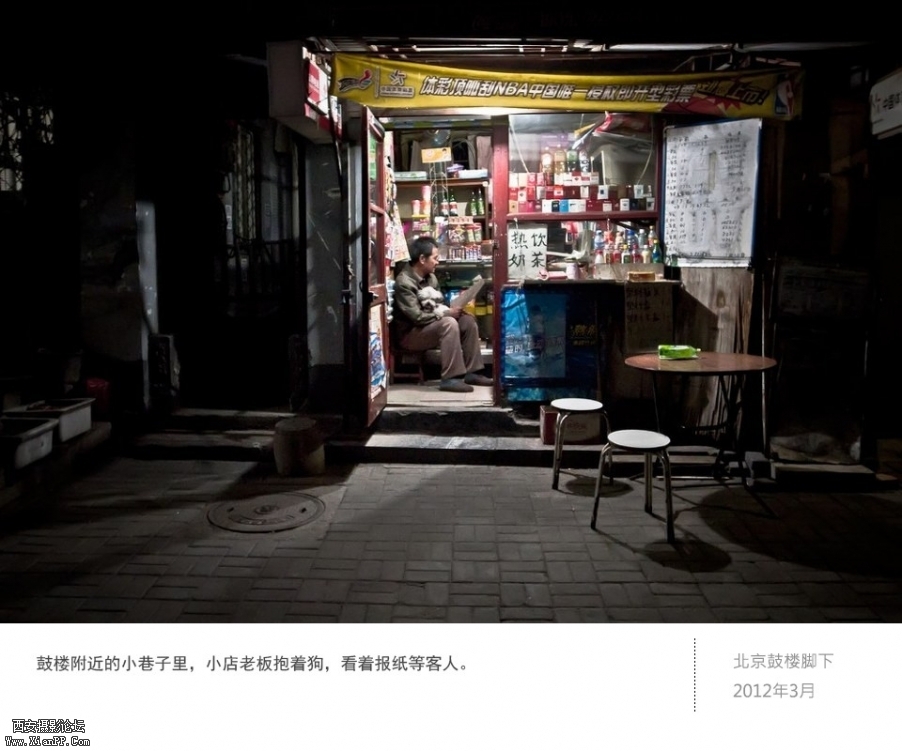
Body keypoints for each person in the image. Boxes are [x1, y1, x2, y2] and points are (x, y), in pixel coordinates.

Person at [391, 236, 492, 393]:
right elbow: (417, 317)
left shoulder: (431, 278)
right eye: (435, 258)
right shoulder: (404, 282)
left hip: (429, 326)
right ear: (422, 259)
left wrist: (455, 309)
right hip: (410, 335)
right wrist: (446, 314)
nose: (437, 262)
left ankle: (474, 372)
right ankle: (451, 378)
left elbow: (438, 304)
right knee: (448, 323)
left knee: (467, 321)